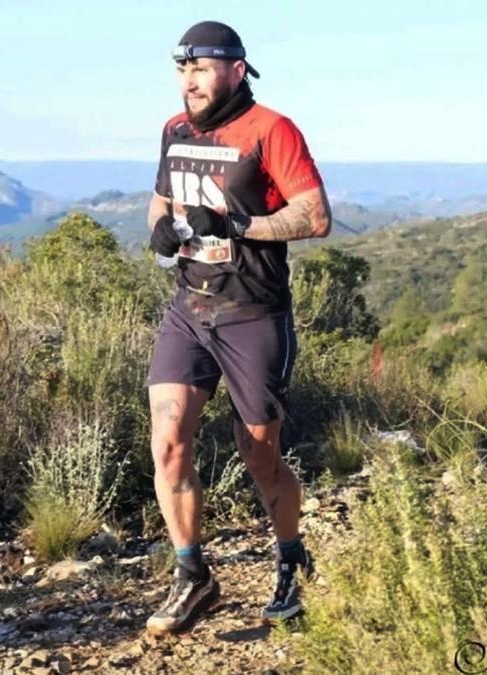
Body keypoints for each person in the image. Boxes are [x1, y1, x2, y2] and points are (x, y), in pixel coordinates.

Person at [144, 20, 333, 635]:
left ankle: (289, 556)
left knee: (261, 455)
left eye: (200, 68)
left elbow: (316, 215)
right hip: (189, 309)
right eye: (182, 69)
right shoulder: (175, 131)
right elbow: (163, 202)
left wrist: (239, 226)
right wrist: (161, 231)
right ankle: (193, 575)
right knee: (169, 442)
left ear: (235, 68)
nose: (189, 81)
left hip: (253, 314)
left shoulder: (270, 130)